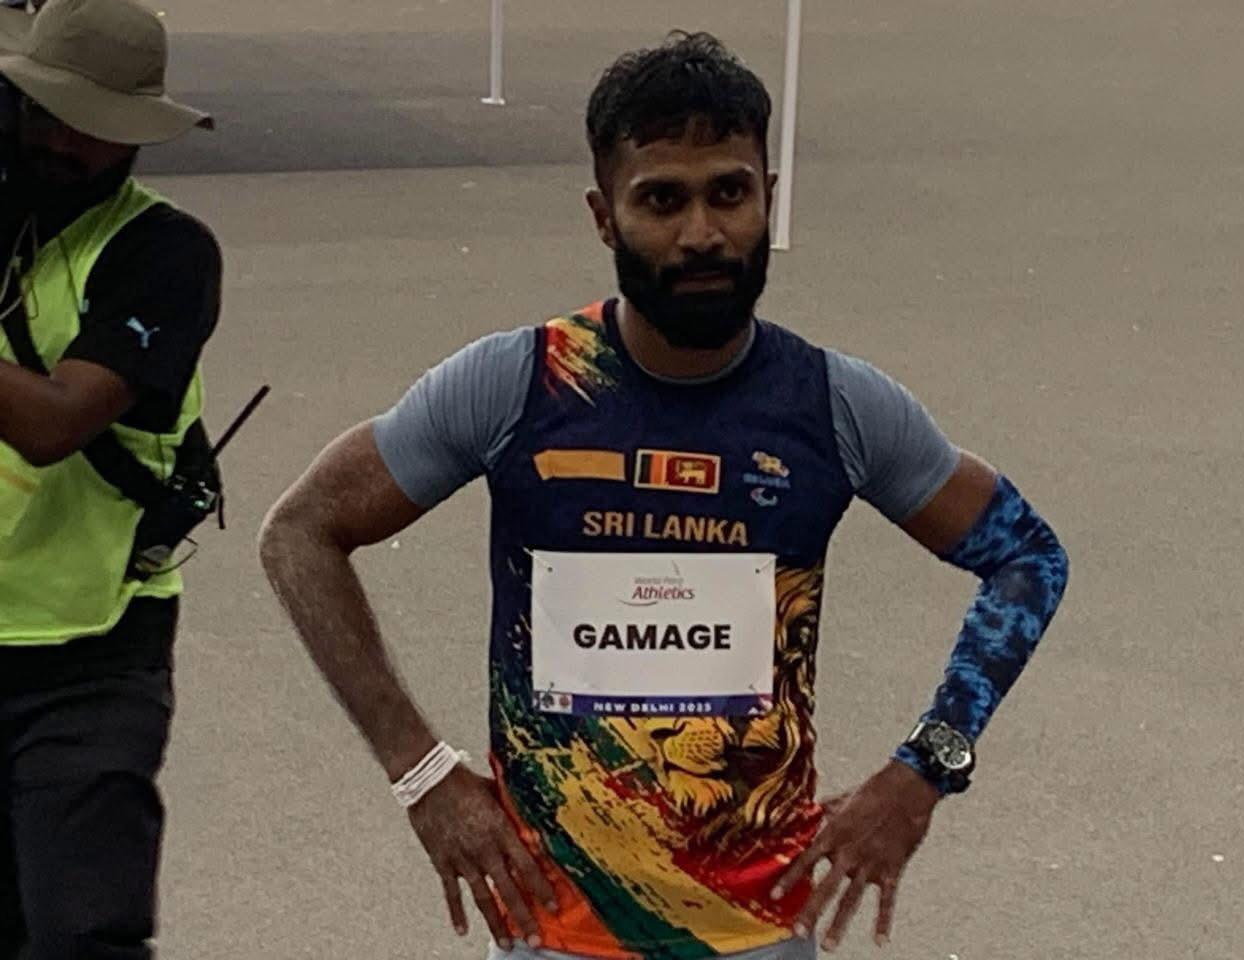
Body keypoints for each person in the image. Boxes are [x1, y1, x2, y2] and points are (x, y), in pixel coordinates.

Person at [259, 31, 1069, 960]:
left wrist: (925, 770)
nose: (701, 234)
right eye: (661, 200)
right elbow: (300, 532)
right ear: (603, 217)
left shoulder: (832, 405)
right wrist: (421, 773)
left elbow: (1028, 557)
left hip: (759, 930)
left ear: (770, 196)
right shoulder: (522, 385)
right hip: (554, 933)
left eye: (730, 192)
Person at [0, 0, 221, 956]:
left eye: (92, 128)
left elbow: (54, 423)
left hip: (90, 652)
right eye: (46, 115)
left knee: (83, 933)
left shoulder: (164, 253)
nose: (64, 142)